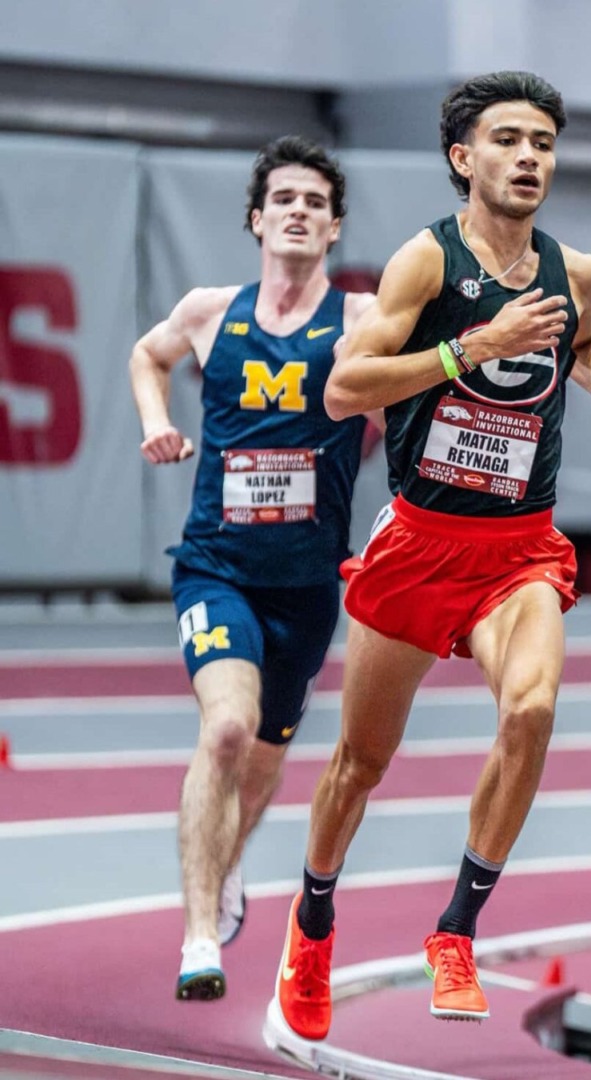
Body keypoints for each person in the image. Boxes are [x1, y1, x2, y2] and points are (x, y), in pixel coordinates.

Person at [271, 71, 591, 1041]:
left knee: (528, 708)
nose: (529, 158)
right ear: (462, 158)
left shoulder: (577, 271)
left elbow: (587, 338)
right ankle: (312, 918)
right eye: (508, 141)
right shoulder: (422, 265)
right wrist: (469, 349)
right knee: (360, 762)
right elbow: (344, 391)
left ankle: (455, 928)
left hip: (518, 550)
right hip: (418, 546)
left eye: (542, 143)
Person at [129, 135, 381, 1002]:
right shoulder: (209, 310)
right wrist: (155, 419)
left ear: (335, 225)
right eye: (284, 198)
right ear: (257, 218)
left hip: (308, 586)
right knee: (226, 731)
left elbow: (413, 386)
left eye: (316, 200)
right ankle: (200, 935)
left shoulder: (358, 321)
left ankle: (227, 869)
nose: (300, 210)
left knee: (269, 756)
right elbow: (145, 354)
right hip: (217, 569)